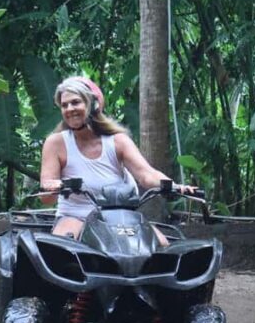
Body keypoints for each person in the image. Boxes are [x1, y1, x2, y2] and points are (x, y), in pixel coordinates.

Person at [40, 76, 195, 241]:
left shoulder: (117, 141)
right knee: (62, 250)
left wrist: (175, 187)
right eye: (64, 105)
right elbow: (46, 197)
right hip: (75, 216)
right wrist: (53, 186)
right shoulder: (56, 143)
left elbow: (146, 174)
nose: (70, 109)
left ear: (93, 105)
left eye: (76, 102)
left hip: (119, 218)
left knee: (162, 246)